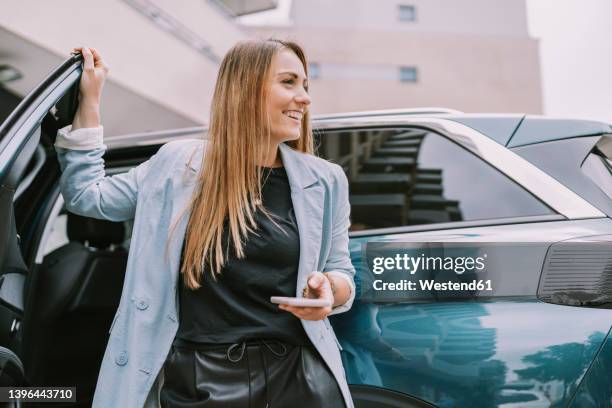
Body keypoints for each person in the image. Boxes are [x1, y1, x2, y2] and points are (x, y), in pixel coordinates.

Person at [55, 40, 356, 408]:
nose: (304, 98)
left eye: (305, 86)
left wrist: (329, 289)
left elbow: (341, 271)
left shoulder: (326, 180)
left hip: (301, 379)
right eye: (289, 82)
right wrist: (90, 99)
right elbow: (88, 196)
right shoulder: (179, 165)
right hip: (201, 379)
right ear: (245, 87)